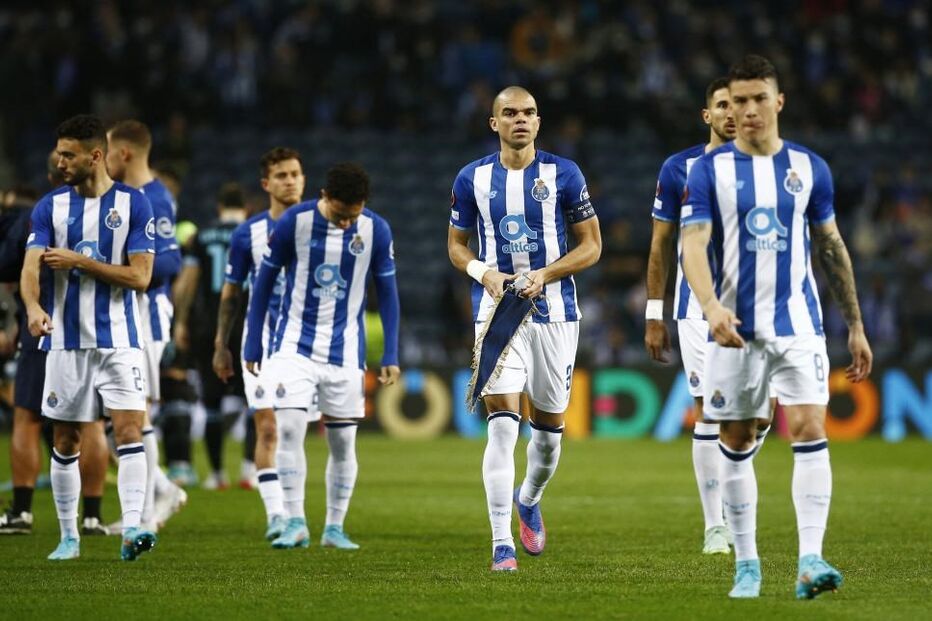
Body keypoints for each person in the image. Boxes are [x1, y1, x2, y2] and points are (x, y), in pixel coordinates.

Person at [680, 55, 873, 599]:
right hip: (736, 329)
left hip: (799, 326)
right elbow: (691, 243)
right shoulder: (709, 171)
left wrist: (854, 325)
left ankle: (811, 558)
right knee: (737, 439)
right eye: (738, 101)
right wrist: (711, 306)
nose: (747, 110)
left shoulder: (810, 168)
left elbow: (831, 246)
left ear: (778, 101)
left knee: (811, 427)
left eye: (758, 98)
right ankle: (748, 564)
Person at [447, 86, 601, 572]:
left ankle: (528, 499)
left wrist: (545, 275)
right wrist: (484, 274)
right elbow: (456, 246)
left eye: (529, 113)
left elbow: (592, 246)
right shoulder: (472, 178)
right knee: (500, 431)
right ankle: (501, 544)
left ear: (539, 121)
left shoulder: (564, 174)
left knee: (550, 435)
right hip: (497, 316)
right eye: (510, 113)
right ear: (494, 123)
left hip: (555, 314)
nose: (521, 120)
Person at [645, 77, 773, 555]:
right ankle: (714, 525)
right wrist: (654, 313)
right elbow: (660, 244)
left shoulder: (766, 165)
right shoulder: (679, 168)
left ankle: (731, 476)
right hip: (696, 310)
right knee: (711, 409)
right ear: (708, 115)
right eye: (721, 105)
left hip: (758, 307)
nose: (730, 113)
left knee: (760, 418)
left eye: (736, 105)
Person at [21, 114, 158, 561]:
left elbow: (140, 277)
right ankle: (69, 537)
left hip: (121, 340)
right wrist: (34, 308)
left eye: (68, 154)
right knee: (66, 440)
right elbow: (31, 267)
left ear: (95, 156)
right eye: (59, 153)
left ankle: (133, 528)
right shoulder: (49, 207)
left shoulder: (135, 205)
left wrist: (81, 262)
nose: (60, 161)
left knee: (129, 428)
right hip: (65, 341)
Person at [243, 162, 400, 551]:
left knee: (344, 444)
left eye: (354, 215)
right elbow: (262, 285)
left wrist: (391, 351)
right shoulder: (294, 222)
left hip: (346, 353)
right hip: (292, 347)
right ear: (324, 198)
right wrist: (251, 343)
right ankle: (295, 521)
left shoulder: (376, 229)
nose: (347, 223)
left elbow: (389, 294)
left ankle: (334, 527)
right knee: (291, 430)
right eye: (340, 215)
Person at [0, 160, 110, 536]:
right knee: (91, 421)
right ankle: (93, 515)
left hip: (43, 328)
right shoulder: (111, 210)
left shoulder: (39, 213)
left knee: (27, 418)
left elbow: (7, 264)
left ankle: (22, 512)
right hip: (93, 330)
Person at [213, 147, 305, 540]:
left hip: (308, 347)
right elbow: (232, 293)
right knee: (267, 428)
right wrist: (221, 343)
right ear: (266, 184)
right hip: (262, 344)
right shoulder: (247, 234)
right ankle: (277, 517)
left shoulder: (322, 226)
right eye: (281, 175)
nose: (290, 181)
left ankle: (302, 517)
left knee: (292, 432)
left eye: (296, 174)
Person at [106, 120, 188, 530]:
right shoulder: (126, 196)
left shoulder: (155, 197)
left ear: (125, 153)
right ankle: (156, 495)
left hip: (147, 314)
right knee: (119, 416)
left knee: (135, 416)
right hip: (122, 314)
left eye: (107, 150)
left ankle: (146, 509)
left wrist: (116, 269)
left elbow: (170, 263)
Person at [173, 183, 249, 490]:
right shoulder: (253, 234)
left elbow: (187, 284)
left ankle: (217, 474)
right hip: (246, 325)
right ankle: (250, 470)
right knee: (253, 399)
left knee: (212, 399)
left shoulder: (200, 237)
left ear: (219, 208)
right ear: (246, 210)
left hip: (208, 327)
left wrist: (179, 323)